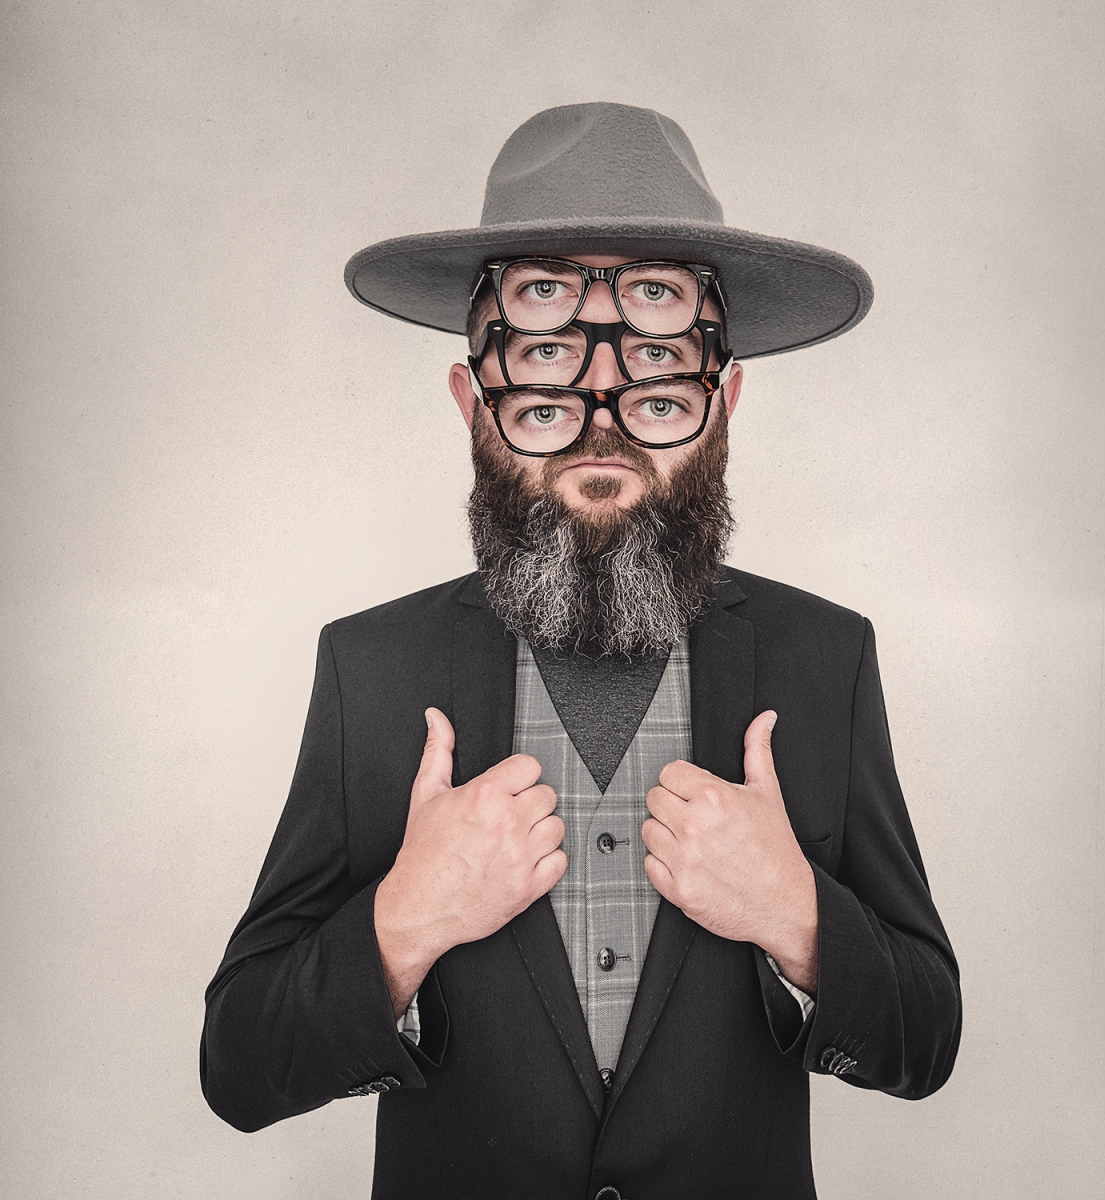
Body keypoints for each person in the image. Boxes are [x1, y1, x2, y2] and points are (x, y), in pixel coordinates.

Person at [201, 102, 961, 1200]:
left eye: (654, 369)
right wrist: (404, 923)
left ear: (722, 402)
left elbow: (925, 1040)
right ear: (474, 401)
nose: (602, 425)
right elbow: (238, 1066)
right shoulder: (371, 669)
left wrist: (797, 916)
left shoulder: (823, 657)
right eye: (550, 359)